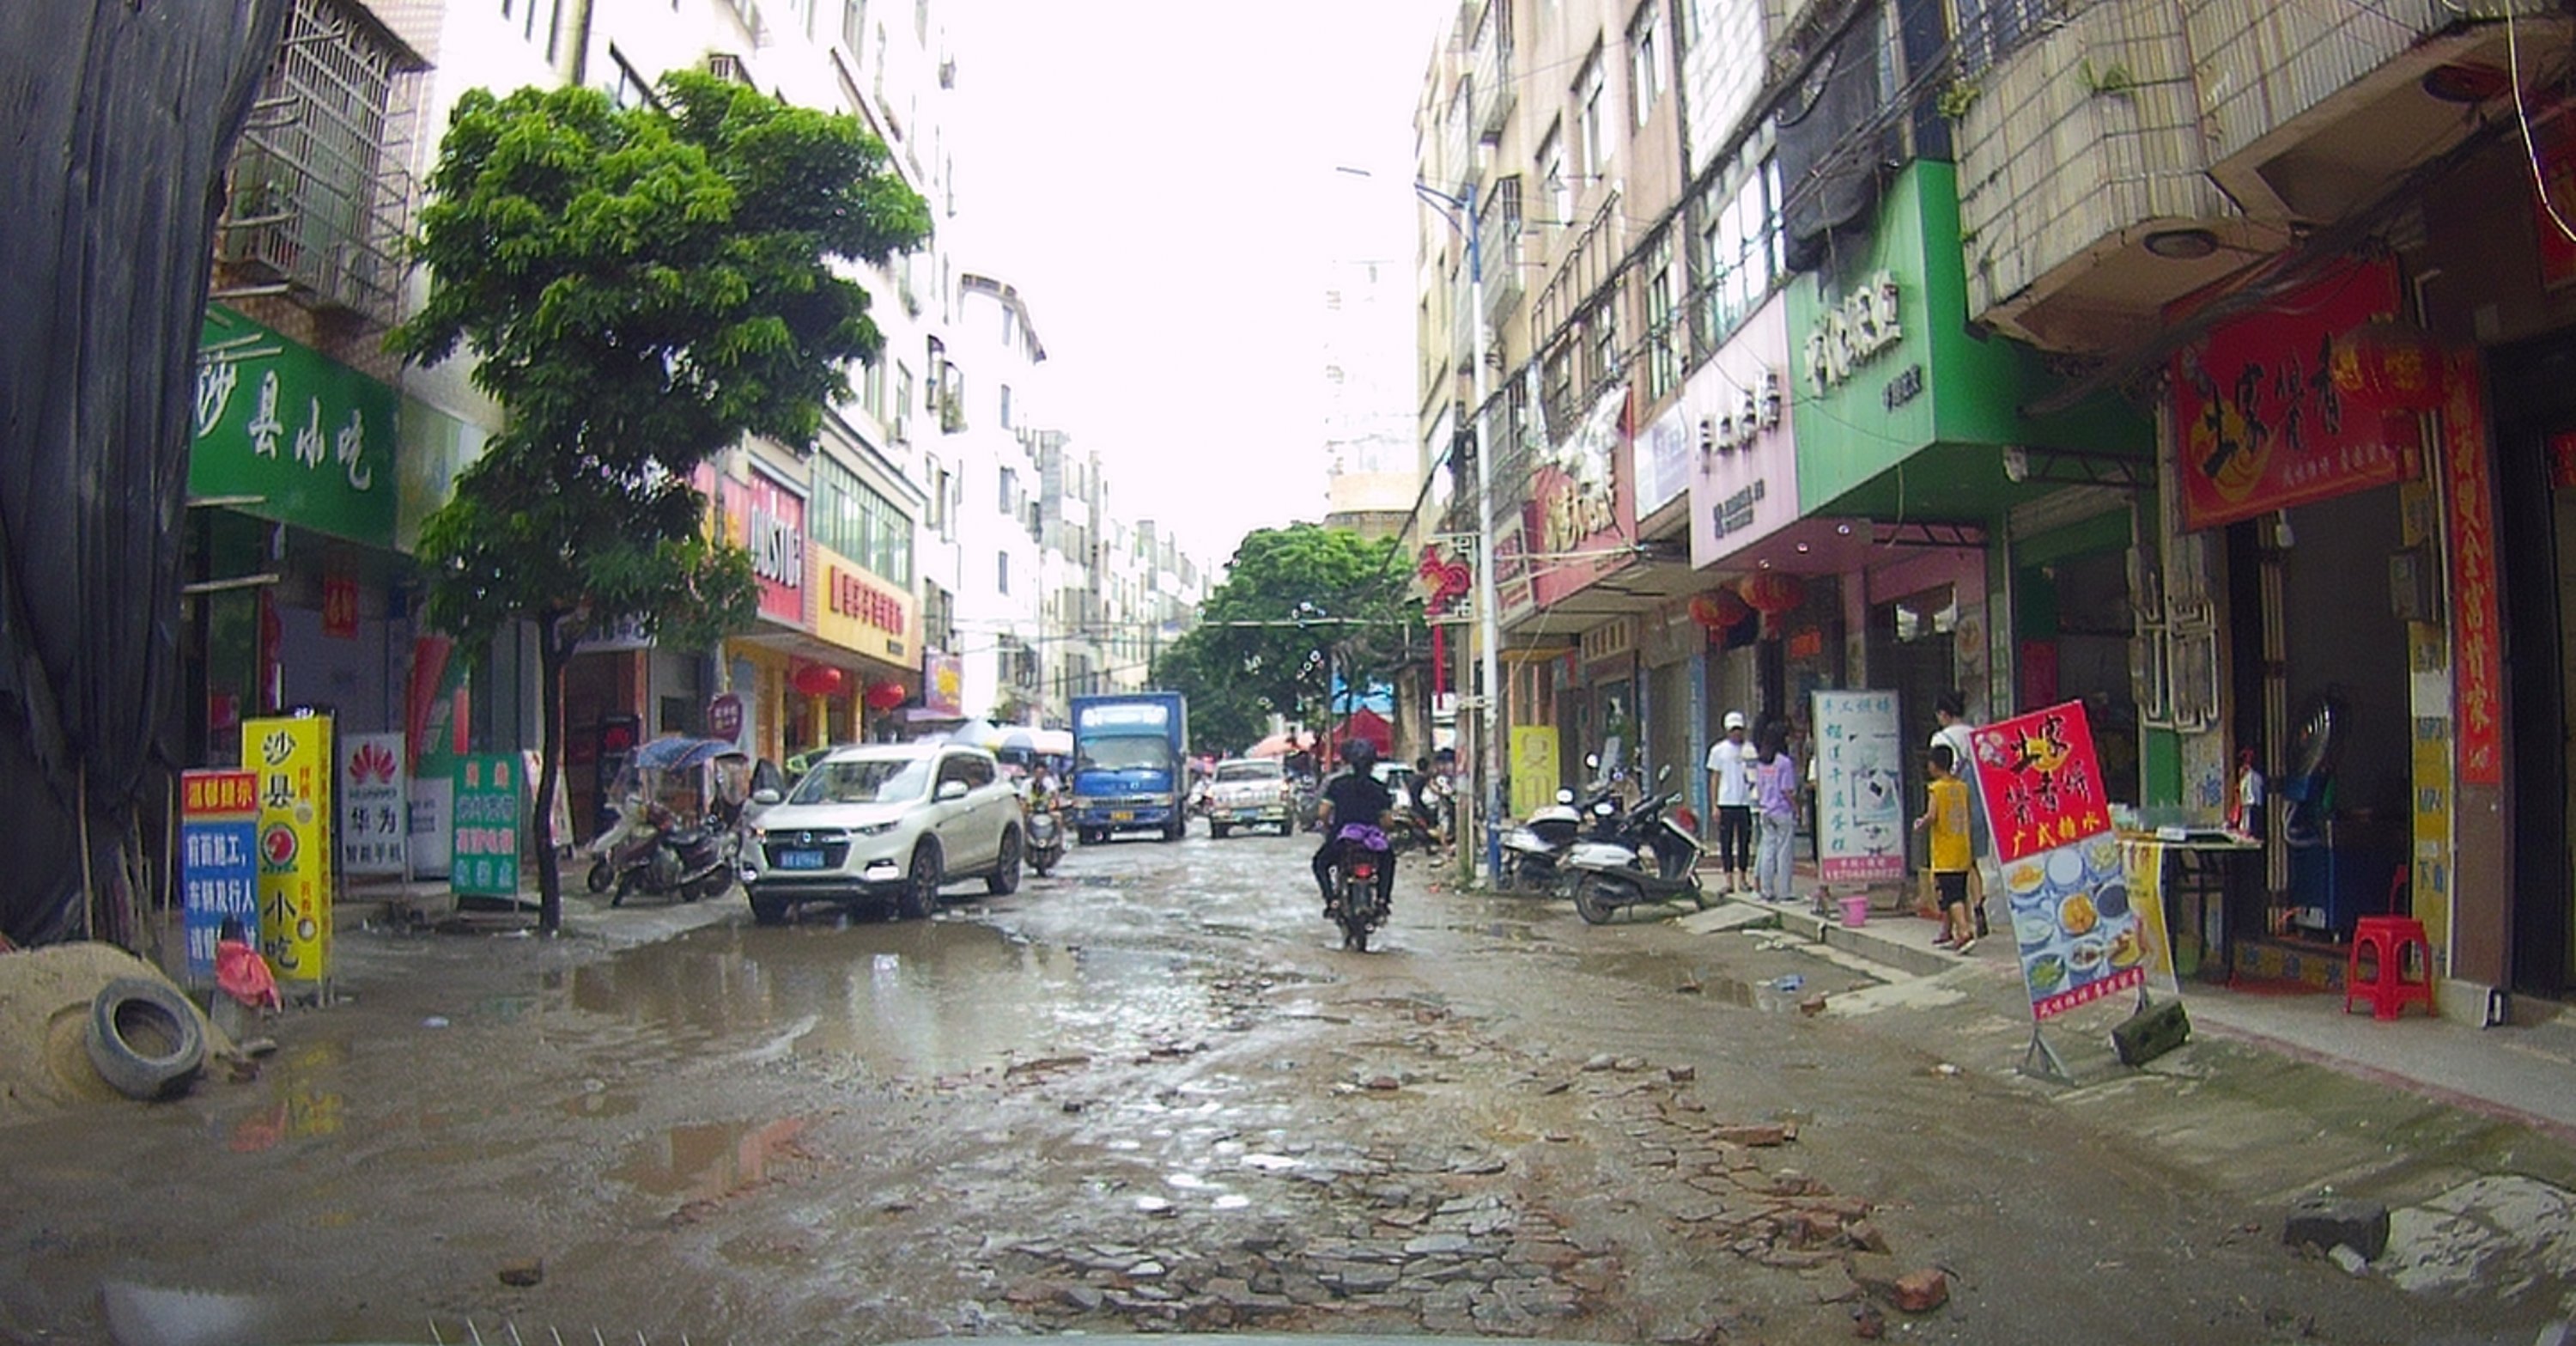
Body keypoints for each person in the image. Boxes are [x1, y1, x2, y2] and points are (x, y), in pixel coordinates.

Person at [1929, 690, 1990, 939]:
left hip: (1951, 805)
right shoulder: (1975, 734)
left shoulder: (1940, 738)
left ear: (1944, 714)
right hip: (1976, 800)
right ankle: (1978, 905)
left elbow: (1938, 768)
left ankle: (1954, 924)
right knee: (1972, 861)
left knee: (1950, 869)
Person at [1312, 738, 1396, 914]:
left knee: (1319, 863)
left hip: (1343, 842)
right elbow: (1388, 821)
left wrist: (1328, 826)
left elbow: (1323, 812)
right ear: (1373, 763)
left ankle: (1331, 900)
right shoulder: (1379, 788)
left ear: (1347, 761)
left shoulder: (1337, 785)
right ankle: (1382, 900)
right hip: (1372, 845)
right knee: (1388, 861)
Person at [1916, 742, 1977, 953]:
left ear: (1934, 765)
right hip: (1962, 848)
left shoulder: (1936, 788)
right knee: (1959, 890)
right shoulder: (1962, 787)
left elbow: (1932, 816)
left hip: (1945, 852)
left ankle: (1964, 931)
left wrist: (1921, 823)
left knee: (1950, 896)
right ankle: (1948, 932)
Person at [1704, 710, 1756, 893]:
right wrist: (1714, 805)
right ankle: (1728, 880)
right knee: (1726, 843)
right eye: (1733, 730)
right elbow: (1715, 778)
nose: (1737, 733)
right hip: (1726, 802)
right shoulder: (1718, 750)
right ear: (1727, 730)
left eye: (1739, 729)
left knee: (1744, 842)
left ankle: (1743, 878)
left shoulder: (1750, 749)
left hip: (1745, 802)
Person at [1751, 725, 1800, 904]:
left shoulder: (1762, 762)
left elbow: (1760, 787)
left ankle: (1767, 890)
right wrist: (1796, 808)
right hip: (1782, 810)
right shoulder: (1784, 762)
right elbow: (1787, 790)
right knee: (1784, 852)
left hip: (1766, 810)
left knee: (1768, 851)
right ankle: (1785, 892)